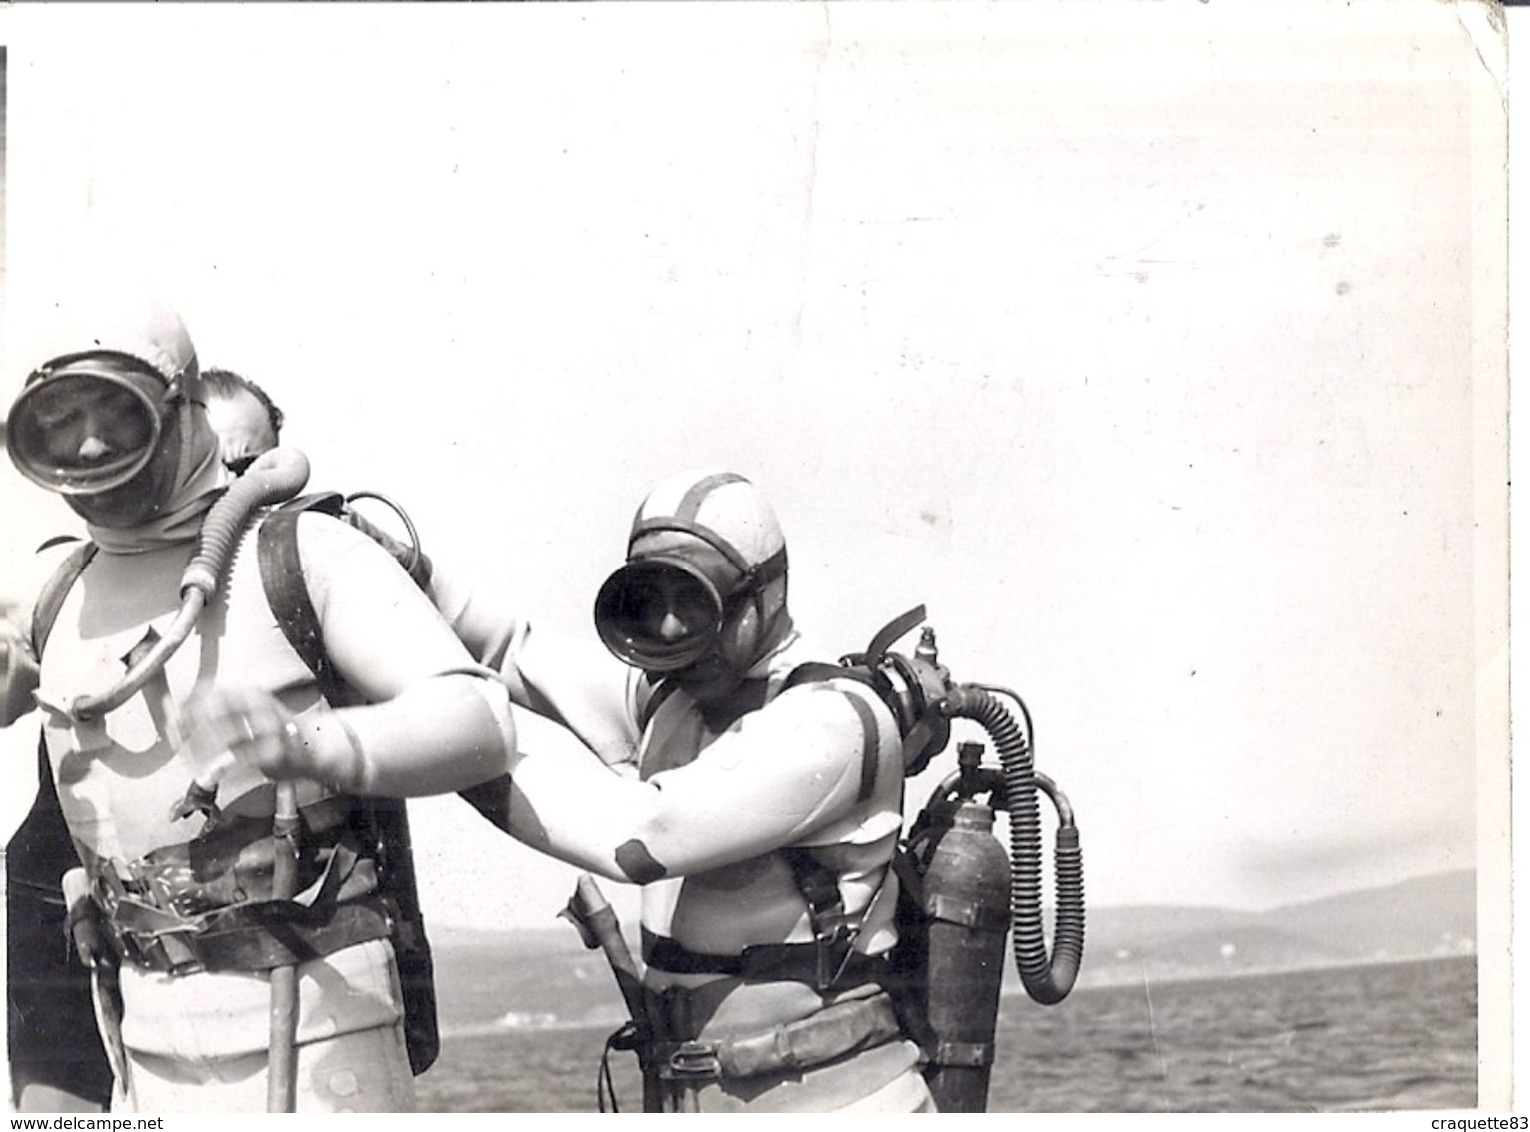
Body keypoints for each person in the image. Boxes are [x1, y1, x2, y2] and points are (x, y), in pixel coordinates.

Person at [201, 469, 937, 1113]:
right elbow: (514, 651)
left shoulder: (832, 721)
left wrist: (416, 744)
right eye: (650, 601)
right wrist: (394, 565)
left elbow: (647, 836)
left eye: (698, 601)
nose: (674, 626)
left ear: (766, 595)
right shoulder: (674, 703)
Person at [1, 291, 518, 1113]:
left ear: (181, 408)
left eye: (117, 415)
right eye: (59, 422)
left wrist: (312, 745)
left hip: (318, 1026)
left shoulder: (304, 552)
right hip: (142, 1036)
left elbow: (481, 721)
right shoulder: (52, 591)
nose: (91, 445)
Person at [4, 365, 294, 1113]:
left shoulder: (291, 576)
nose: (228, 491)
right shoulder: (71, 590)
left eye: (248, 469)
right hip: (67, 895)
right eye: (214, 463)